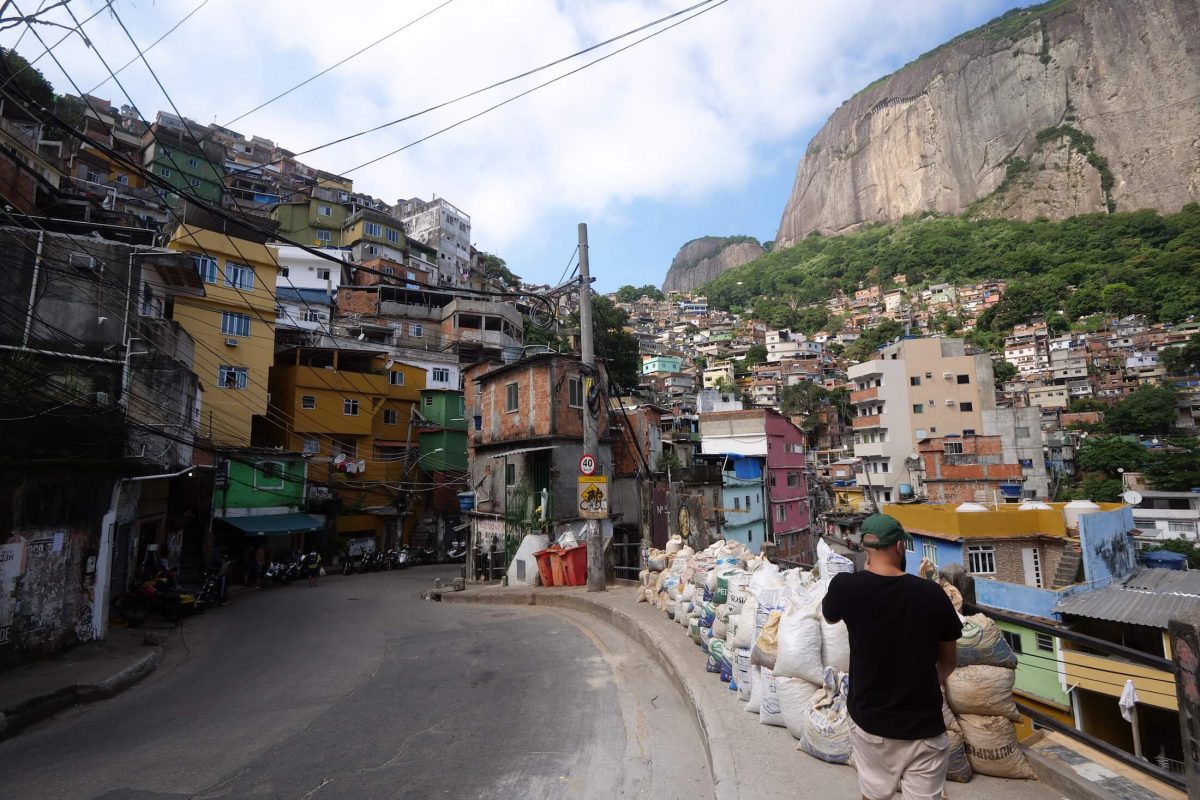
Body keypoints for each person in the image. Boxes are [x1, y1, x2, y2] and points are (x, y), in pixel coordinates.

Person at [822, 513, 962, 800]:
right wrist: (923, 682)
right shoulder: (932, 594)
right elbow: (949, 661)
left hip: (871, 724)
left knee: (873, 795)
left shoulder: (845, 587)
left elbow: (830, 617)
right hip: (925, 725)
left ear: (865, 548)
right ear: (899, 547)